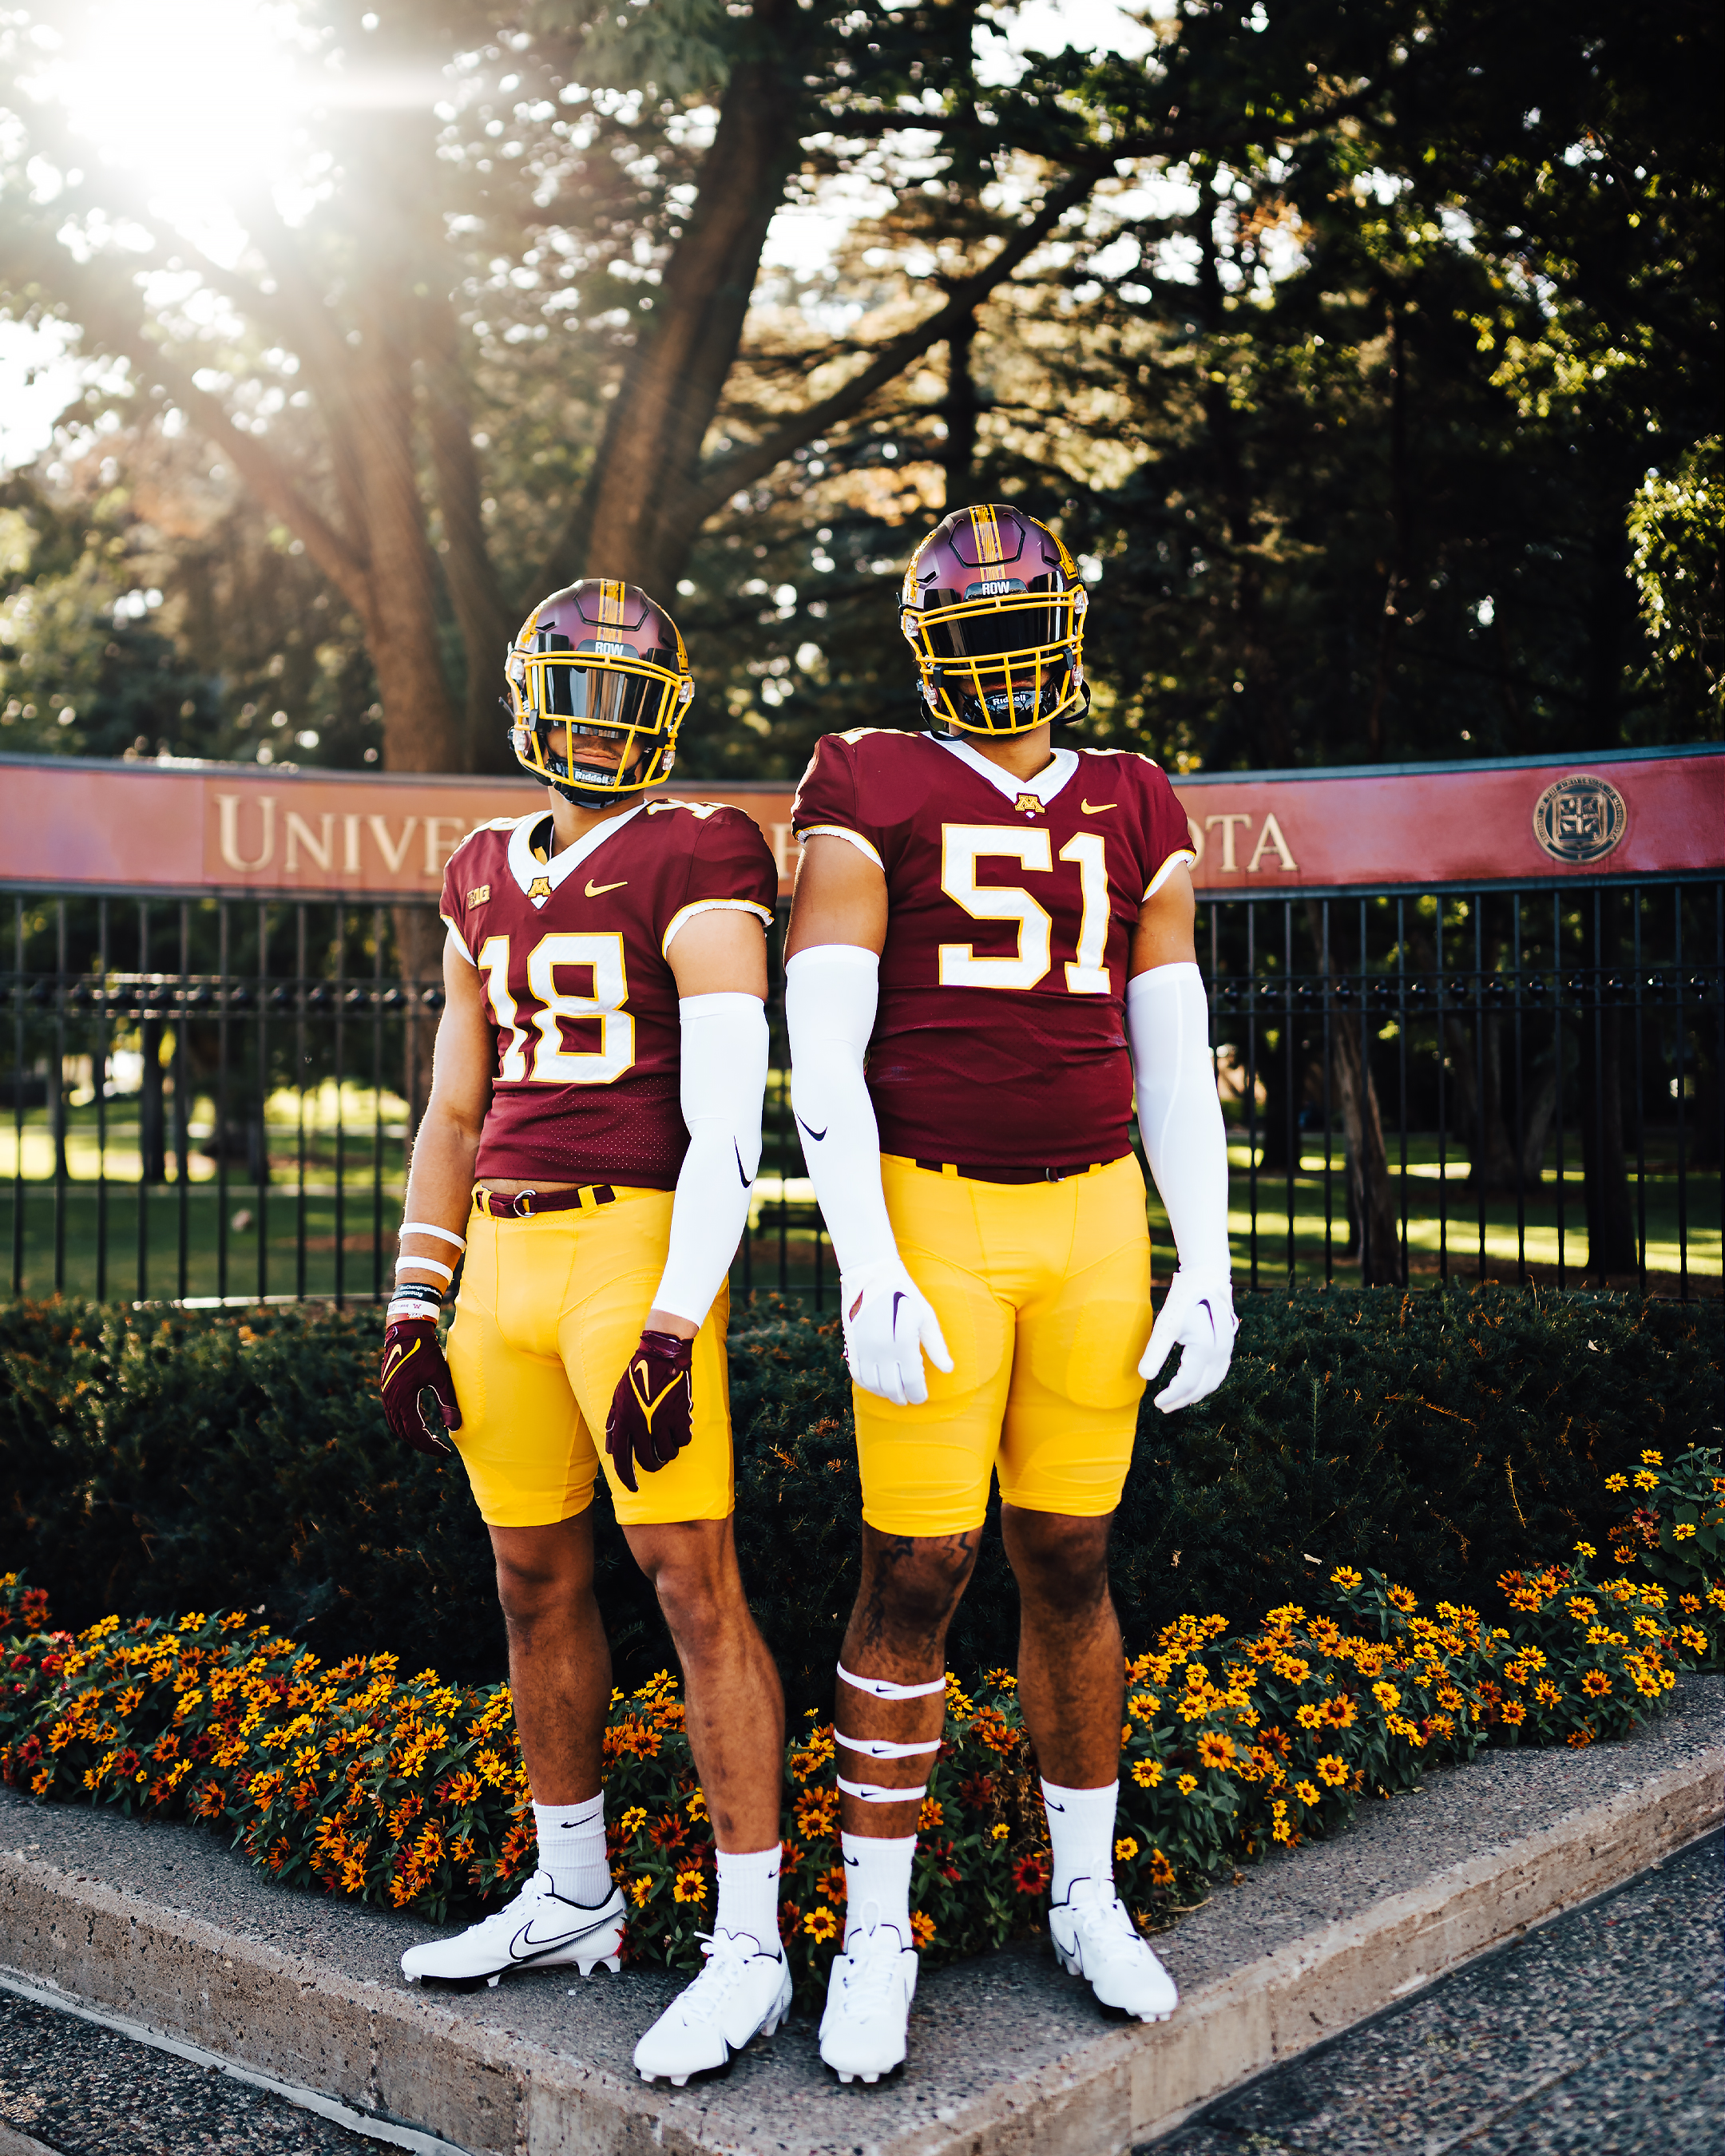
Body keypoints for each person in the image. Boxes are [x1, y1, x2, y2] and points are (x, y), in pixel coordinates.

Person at [783, 505, 1237, 2083]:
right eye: (963, 630)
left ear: (1065, 630)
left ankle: (1087, 1897)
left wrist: (1212, 1261)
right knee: (915, 1568)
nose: (994, 659)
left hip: (1098, 1220)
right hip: (933, 1211)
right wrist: (867, 1255)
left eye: (1013, 624)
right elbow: (823, 1035)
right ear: (925, 646)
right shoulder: (867, 777)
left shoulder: (1134, 794)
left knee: (1071, 1548)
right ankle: (875, 1931)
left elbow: (1171, 1048)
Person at [380, 579, 791, 2087]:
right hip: (502, 1253)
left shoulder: (703, 845)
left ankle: (753, 1944)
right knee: (529, 1575)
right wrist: (416, 1294)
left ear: (668, 710)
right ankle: (574, 1896)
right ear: (525, 695)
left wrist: (682, 1309)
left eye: (628, 695)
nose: (599, 722)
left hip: (634, 1241)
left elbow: (725, 1103)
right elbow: (453, 1106)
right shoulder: (481, 867)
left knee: (691, 1580)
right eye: (578, 688)